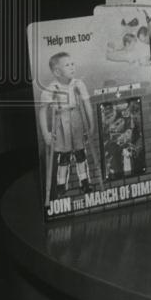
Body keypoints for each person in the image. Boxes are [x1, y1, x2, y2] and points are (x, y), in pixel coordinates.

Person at [39, 52, 95, 202]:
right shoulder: (51, 88)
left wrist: (91, 125)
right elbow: (43, 111)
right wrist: (46, 134)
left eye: (72, 64)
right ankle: (61, 184)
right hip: (61, 121)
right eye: (67, 65)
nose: (72, 67)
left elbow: (87, 104)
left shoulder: (78, 84)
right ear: (57, 71)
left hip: (76, 119)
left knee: (80, 153)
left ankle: (85, 182)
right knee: (64, 156)